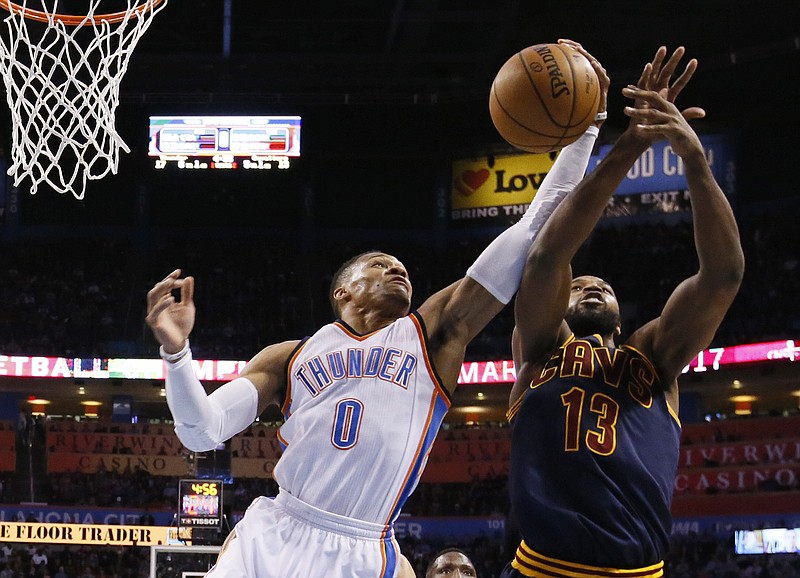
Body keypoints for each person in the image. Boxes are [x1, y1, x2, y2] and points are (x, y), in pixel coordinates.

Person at [145, 40, 610, 578]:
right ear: (342, 291)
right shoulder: (287, 358)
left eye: (400, 265)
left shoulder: (435, 331)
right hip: (274, 532)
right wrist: (177, 354)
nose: (398, 269)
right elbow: (199, 434)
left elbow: (534, 228)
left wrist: (588, 129)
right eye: (379, 264)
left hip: (363, 548)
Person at [502, 44, 745, 577]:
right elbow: (546, 256)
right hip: (542, 569)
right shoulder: (540, 349)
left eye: (602, 286)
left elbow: (723, 275)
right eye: (580, 284)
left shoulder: (656, 357)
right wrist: (632, 142)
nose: (591, 287)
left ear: (619, 313)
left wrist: (696, 163)